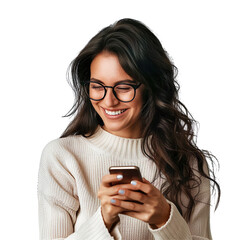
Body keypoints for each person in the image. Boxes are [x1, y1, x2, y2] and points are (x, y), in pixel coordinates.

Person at [37, 18, 220, 240]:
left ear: (152, 87)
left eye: (123, 87)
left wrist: (165, 219)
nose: (109, 101)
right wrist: (103, 220)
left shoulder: (188, 162)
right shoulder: (63, 157)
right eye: (97, 86)